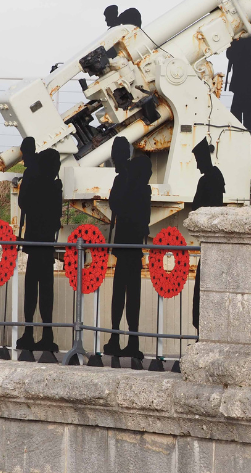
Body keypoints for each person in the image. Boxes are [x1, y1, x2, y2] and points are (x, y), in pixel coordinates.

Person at [104, 138, 151, 359]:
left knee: (120, 293)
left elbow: (115, 204)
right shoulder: (136, 177)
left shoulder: (124, 178)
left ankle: (117, 338)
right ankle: (131, 339)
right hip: (133, 241)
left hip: (125, 241)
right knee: (132, 293)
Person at [15, 149, 63, 352]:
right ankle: (45, 332)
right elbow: (56, 215)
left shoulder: (36, 185)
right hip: (43, 243)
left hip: (36, 243)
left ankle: (30, 331)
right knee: (44, 290)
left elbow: (23, 203)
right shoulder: (51, 187)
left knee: (32, 289)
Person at [191, 137, 225, 332]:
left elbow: (197, 206)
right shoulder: (216, 176)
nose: (197, 166)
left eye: (198, 161)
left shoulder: (207, 179)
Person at [227, 16, 251, 128]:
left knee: (236, 118)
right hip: (249, 87)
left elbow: (230, 55)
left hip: (240, 87)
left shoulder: (242, 42)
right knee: (249, 121)